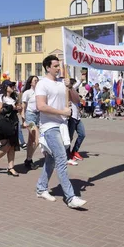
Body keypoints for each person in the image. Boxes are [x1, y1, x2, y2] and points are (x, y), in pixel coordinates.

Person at [35, 55, 87, 208]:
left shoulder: (62, 83)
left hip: (62, 126)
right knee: (61, 158)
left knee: (51, 160)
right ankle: (70, 198)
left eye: (59, 65)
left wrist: (70, 87)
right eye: (56, 66)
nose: (59, 68)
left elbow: (77, 100)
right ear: (48, 67)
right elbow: (41, 106)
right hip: (49, 126)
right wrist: (62, 112)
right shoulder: (42, 84)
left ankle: (41, 188)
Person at [0, 80, 21, 177]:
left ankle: (11, 167)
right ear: (6, 86)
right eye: (10, 85)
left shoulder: (14, 97)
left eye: (13, 85)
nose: (13, 87)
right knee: (6, 146)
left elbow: (18, 108)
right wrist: (12, 107)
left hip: (13, 123)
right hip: (3, 124)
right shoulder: (0, 97)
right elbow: (0, 110)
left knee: (12, 146)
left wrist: (18, 108)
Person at [21, 75, 40, 171]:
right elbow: (23, 106)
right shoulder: (27, 92)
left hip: (38, 116)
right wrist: (23, 120)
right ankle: (29, 159)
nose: (36, 82)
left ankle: (28, 160)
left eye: (37, 80)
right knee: (37, 138)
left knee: (31, 140)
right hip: (30, 116)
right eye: (34, 80)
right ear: (30, 82)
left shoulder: (40, 92)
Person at [67, 78, 86, 165]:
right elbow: (74, 86)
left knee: (82, 134)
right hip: (72, 117)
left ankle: (74, 151)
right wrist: (80, 80)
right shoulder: (68, 91)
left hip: (77, 117)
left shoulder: (74, 93)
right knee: (69, 138)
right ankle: (67, 155)